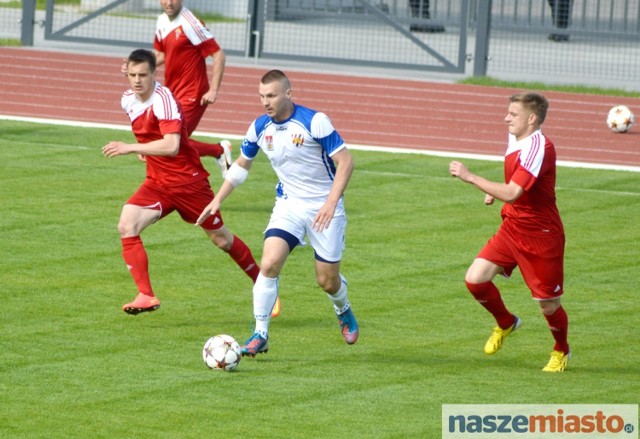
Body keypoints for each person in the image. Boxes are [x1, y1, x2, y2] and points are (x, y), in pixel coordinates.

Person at [196, 69, 359, 357]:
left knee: (327, 280)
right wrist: (218, 199)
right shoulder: (259, 127)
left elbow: (345, 162)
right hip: (289, 205)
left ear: (288, 94)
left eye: (271, 96)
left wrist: (331, 203)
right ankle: (260, 333)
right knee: (269, 263)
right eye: (261, 96)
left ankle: (342, 308)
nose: (265, 102)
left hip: (324, 206)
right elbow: (242, 166)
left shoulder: (314, 122)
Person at [103, 49, 261, 315]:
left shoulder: (164, 99)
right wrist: (143, 148)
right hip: (158, 183)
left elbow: (173, 145)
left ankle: (262, 283)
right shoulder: (128, 99)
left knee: (222, 240)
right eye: (132, 75)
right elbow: (151, 135)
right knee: (127, 224)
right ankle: (146, 295)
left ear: (155, 73)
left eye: (143, 74)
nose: (137, 80)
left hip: (189, 184)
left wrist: (130, 147)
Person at [448, 92, 570, 372]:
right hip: (512, 227)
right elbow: (514, 183)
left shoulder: (540, 146)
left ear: (531, 118)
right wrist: (496, 193)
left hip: (541, 235)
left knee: (548, 306)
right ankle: (506, 322)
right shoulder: (517, 138)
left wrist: (471, 177)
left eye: (513, 114)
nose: (506, 118)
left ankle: (561, 350)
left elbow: (514, 192)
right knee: (475, 279)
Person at [154, 0, 232, 177]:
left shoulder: (190, 23)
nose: (169, 2)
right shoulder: (161, 21)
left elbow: (218, 54)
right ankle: (218, 151)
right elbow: (161, 55)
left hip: (193, 93)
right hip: (173, 93)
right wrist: (137, 66)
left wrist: (213, 90)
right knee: (171, 142)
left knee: (173, 142)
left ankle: (216, 153)